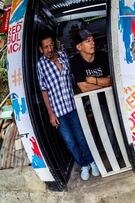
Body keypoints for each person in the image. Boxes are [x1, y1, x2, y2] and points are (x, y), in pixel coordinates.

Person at [37, 34, 100, 181]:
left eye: (51, 45)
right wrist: (50, 114)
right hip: (58, 112)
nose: (49, 49)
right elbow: (44, 90)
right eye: (45, 47)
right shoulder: (41, 65)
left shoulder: (63, 56)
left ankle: (91, 161)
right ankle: (83, 165)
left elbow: (73, 78)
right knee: (70, 142)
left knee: (81, 137)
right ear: (41, 49)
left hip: (72, 107)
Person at [70, 29, 123, 164]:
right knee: (108, 129)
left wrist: (95, 81)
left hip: (115, 98)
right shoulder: (75, 62)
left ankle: (124, 152)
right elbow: (83, 87)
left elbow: (112, 80)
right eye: (88, 41)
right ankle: (115, 158)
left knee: (121, 125)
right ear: (79, 47)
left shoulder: (103, 56)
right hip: (96, 103)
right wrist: (104, 83)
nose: (92, 43)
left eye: (92, 40)